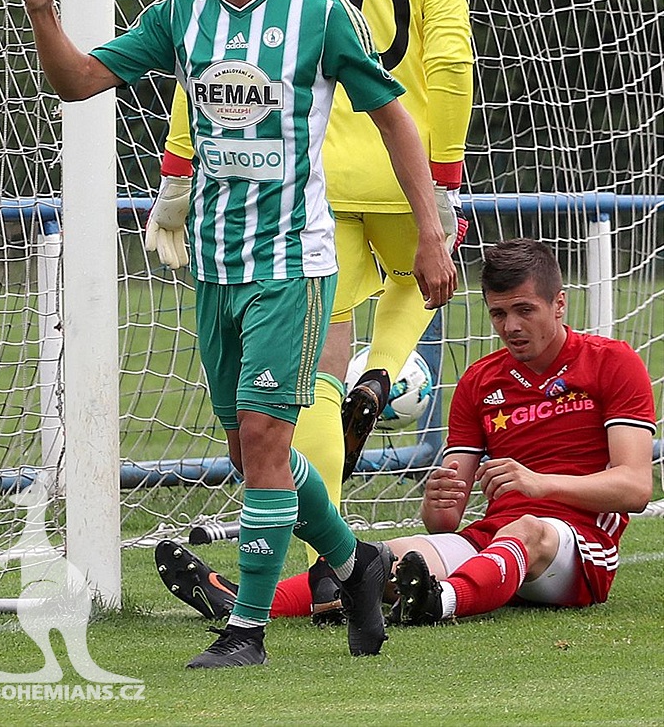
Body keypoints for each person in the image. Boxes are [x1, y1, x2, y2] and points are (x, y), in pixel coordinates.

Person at [14, 0, 457, 668]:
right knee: (257, 451)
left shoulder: (319, 15)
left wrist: (430, 228)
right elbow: (78, 81)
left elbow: (394, 117)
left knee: (262, 436)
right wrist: (45, 12)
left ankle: (246, 631)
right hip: (214, 268)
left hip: (292, 262)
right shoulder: (183, 12)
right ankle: (359, 564)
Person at [147, 0, 472, 590]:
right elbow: (447, 56)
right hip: (403, 159)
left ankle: (317, 564)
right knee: (422, 280)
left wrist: (178, 167)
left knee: (309, 378)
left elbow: (217, 49)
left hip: (299, 168)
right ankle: (387, 369)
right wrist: (444, 179)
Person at [159, 239, 656, 625]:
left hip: (579, 550)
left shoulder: (612, 363)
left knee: (525, 531)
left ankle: (439, 602)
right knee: (378, 558)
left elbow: (635, 489)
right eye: (499, 313)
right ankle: (236, 600)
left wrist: (540, 484)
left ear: (559, 304)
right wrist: (439, 500)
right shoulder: (481, 381)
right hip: (493, 541)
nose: (511, 326)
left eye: (525, 310)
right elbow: (445, 521)